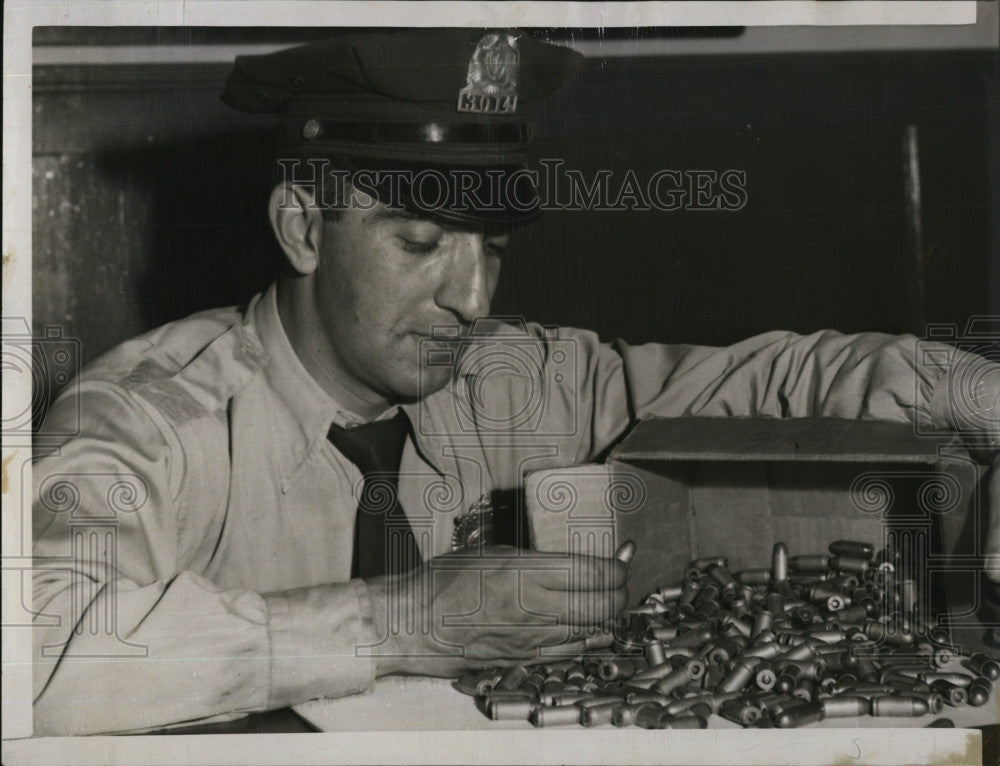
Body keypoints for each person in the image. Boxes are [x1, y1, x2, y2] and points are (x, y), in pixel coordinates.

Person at [31, 29, 999, 735]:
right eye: (422, 243)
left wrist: (958, 393)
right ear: (299, 227)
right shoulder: (146, 416)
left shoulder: (509, 378)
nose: (473, 296)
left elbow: (761, 382)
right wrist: (405, 620)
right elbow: (34, 654)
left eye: (492, 248)